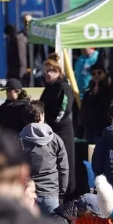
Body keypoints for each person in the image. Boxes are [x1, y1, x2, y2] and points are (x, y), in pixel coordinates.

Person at [19, 101, 69, 216]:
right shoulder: (55, 139)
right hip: (51, 194)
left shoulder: (19, 140)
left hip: (27, 194)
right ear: (41, 116)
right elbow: (64, 169)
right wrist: (62, 193)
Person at [40, 58, 77, 197]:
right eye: (45, 71)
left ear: (58, 72)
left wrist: (51, 124)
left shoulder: (64, 87)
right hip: (49, 132)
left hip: (62, 131)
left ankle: (68, 195)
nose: (47, 74)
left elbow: (64, 109)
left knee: (66, 165)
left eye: (50, 71)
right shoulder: (48, 88)